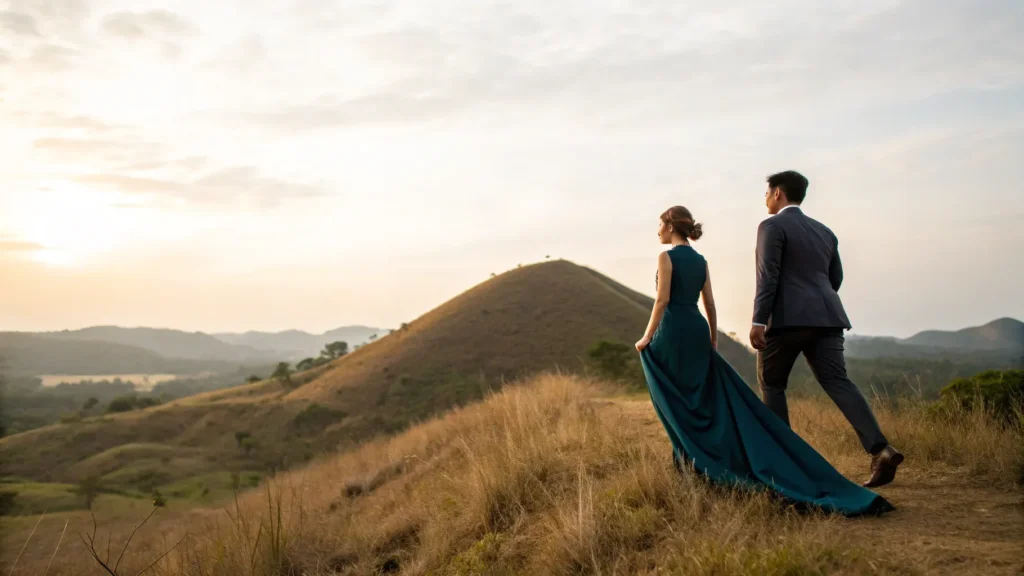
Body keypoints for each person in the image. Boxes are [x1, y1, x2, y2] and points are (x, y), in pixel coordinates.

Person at [635, 205, 893, 516]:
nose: (657, 231)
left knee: (684, 396)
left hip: (678, 330)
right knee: (704, 397)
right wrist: (713, 342)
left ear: (670, 224)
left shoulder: (667, 257)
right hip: (704, 331)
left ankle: (701, 458)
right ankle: (703, 459)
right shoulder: (702, 261)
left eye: (659, 225)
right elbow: (711, 305)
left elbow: (662, 300)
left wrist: (646, 337)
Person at [751, 171, 903, 488]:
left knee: (773, 385)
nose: (765, 198)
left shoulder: (771, 226)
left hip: (787, 319)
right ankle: (880, 449)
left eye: (766, 192)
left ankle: (785, 461)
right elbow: (835, 279)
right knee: (838, 382)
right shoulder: (824, 232)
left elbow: (769, 276)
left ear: (777, 193)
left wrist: (758, 320)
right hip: (828, 317)